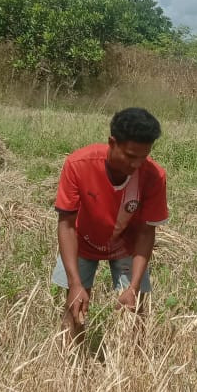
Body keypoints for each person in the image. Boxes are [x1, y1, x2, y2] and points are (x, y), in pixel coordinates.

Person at [53, 107, 169, 343]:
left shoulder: (154, 175)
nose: (136, 164)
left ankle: (134, 366)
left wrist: (134, 286)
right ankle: (71, 362)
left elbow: (147, 233)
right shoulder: (78, 164)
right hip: (83, 242)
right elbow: (66, 225)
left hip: (127, 245)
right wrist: (75, 283)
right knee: (74, 307)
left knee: (134, 311)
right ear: (112, 143)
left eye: (143, 157)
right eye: (129, 155)